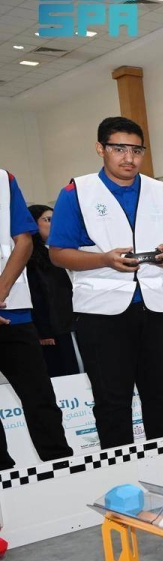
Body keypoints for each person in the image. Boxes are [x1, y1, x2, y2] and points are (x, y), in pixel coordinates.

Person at [49, 116, 163, 448]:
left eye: (136, 150)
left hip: (159, 309)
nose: (129, 158)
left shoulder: (162, 191)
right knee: (112, 402)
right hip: (102, 314)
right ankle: (119, 471)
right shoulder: (76, 192)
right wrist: (104, 259)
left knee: (161, 396)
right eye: (119, 149)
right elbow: (58, 254)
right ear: (101, 149)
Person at [0, 172, 72, 468]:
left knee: (40, 398)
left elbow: (24, 242)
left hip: (14, 312)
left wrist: (0, 291)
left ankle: (62, 468)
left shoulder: (4, 180)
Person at [26, 204, 78, 377]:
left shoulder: (64, 252)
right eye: (48, 220)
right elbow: (36, 297)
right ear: (33, 225)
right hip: (52, 330)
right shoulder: (31, 259)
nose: (54, 224)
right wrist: (44, 332)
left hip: (73, 323)